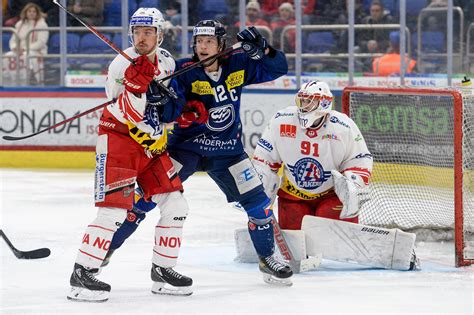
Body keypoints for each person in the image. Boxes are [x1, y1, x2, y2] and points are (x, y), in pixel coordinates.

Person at [106, 20, 294, 286]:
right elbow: (170, 112)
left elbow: (279, 68)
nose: (203, 47)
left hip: (229, 151)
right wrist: (170, 105)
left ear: (221, 44)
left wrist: (263, 49)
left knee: (260, 207)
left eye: (209, 42)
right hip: (186, 150)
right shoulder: (183, 70)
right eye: (199, 42)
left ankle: (267, 259)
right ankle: (107, 249)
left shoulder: (238, 63)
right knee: (144, 199)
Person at [67, 7, 198, 302]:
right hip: (119, 142)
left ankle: (163, 270)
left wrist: (170, 105)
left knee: (176, 204)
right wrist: (137, 88)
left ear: (160, 35)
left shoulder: (166, 61)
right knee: (114, 211)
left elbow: (169, 109)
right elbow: (123, 110)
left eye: (148, 32)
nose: (142, 37)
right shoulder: (120, 65)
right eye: (137, 32)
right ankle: (82, 273)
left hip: (151, 145)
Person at [252, 80, 373, 230]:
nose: (304, 106)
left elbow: (359, 158)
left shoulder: (343, 126)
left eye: (310, 101)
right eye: (303, 101)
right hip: (293, 196)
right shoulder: (281, 121)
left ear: (323, 103)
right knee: (294, 244)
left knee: (332, 244)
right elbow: (265, 158)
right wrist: (259, 193)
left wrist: (353, 183)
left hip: (331, 195)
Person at [3, 2, 49, 85]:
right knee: (7, 56)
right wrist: (15, 47)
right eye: (29, 11)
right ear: (25, 12)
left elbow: (41, 42)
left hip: (35, 50)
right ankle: (8, 81)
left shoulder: (42, 24)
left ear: (37, 13)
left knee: (25, 56)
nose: (31, 13)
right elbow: (13, 40)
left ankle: (29, 80)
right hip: (19, 50)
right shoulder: (20, 24)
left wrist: (25, 49)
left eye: (34, 11)